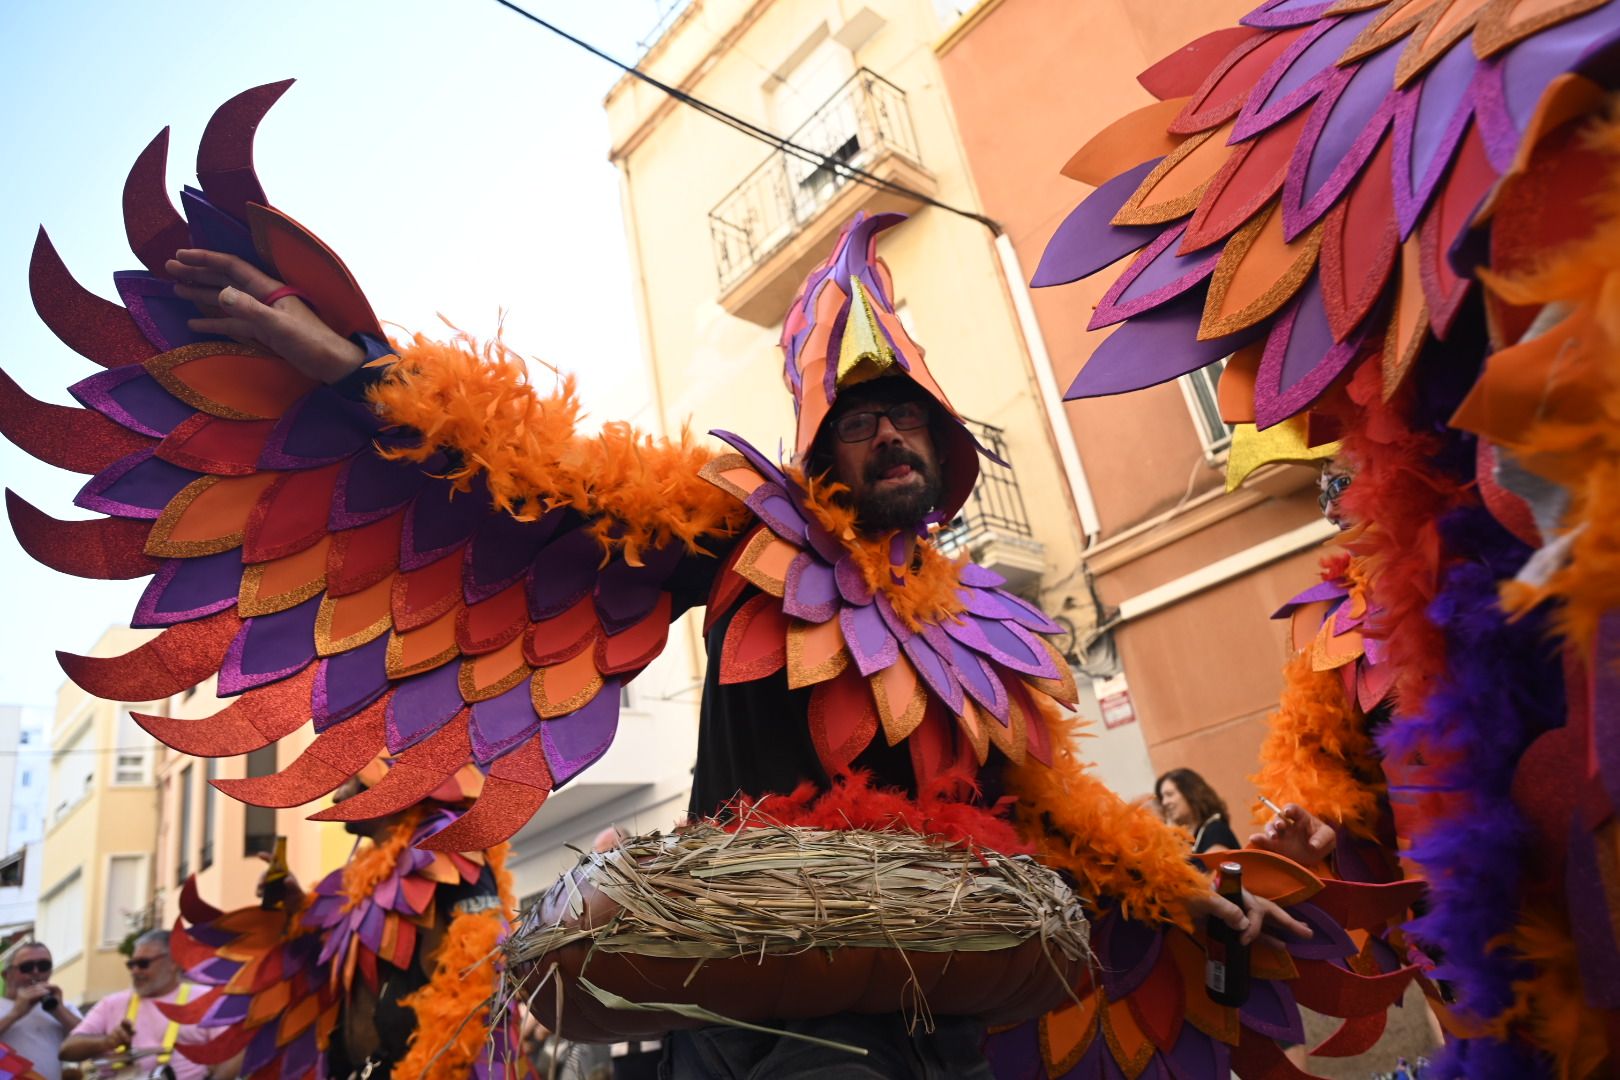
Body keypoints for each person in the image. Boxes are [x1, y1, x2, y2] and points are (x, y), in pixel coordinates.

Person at [4, 88, 1422, 1080]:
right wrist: (352, 378)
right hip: (769, 1013)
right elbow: (539, 484)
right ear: (824, 447)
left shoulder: (989, 629)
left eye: (913, 422)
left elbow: (1050, 797)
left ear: (946, 453)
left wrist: (1191, 896)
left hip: (952, 1007)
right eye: (863, 421)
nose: (891, 438)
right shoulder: (739, 527)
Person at [166, 764, 525, 1080]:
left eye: (349, 778)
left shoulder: (448, 840)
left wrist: (444, 1064)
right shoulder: (360, 877)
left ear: (383, 780)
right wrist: (296, 906)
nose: (337, 796)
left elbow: (483, 960)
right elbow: (339, 962)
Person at [60, 931, 206, 1080]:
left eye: (143, 964)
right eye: (131, 964)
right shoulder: (111, 1004)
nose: (135, 971)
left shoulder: (205, 999)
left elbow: (229, 1056)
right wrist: (107, 1042)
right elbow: (67, 1049)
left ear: (173, 962)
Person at [0, 941, 79, 1080]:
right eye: (27, 967)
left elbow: (91, 1041)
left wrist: (58, 1010)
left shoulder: (64, 1007)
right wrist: (16, 1013)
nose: (36, 972)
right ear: (7, 974)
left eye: (44, 966)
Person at [1155, 768, 1240, 854]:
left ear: (1190, 793)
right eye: (1162, 798)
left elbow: (1213, 866)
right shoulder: (1183, 841)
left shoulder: (1215, 831)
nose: (1164, 802)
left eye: (1169, 794)